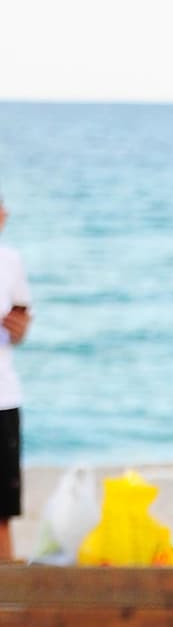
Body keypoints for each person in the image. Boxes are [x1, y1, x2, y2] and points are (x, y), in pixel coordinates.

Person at [0, 193, 33, 564]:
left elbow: (21, 322)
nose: (6, 212)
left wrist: (18, 327)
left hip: (3, 395)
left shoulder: (10, 262)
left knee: (2, 514)